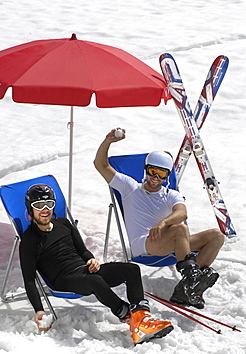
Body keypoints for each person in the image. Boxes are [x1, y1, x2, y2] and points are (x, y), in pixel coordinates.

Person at [19, 183, 174, 345]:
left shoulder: (64, 223)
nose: (45, 209)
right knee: (95, 281)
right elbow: (29, 279)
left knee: (131, 269)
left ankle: (141, 318)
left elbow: (82, 251)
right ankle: (127, 315)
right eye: (38, 205)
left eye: (49, 204)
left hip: (84, 270)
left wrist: (91, 259)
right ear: (30, 208)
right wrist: (39, 310)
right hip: (63, 279)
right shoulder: (29, 241)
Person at [94, 128, 225, 310]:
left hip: (170, 241)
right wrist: (107, 142)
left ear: (167, 176)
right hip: (144, 245)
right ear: (146, 170)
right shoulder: (129, 187)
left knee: (217, 236)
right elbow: (100, 165)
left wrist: (163, 223)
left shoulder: (171, 195)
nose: (155, 178)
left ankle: (185, 288)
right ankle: (191, 277)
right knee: (180, 229)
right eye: (152, 172)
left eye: (161, 174)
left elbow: (182, 213)